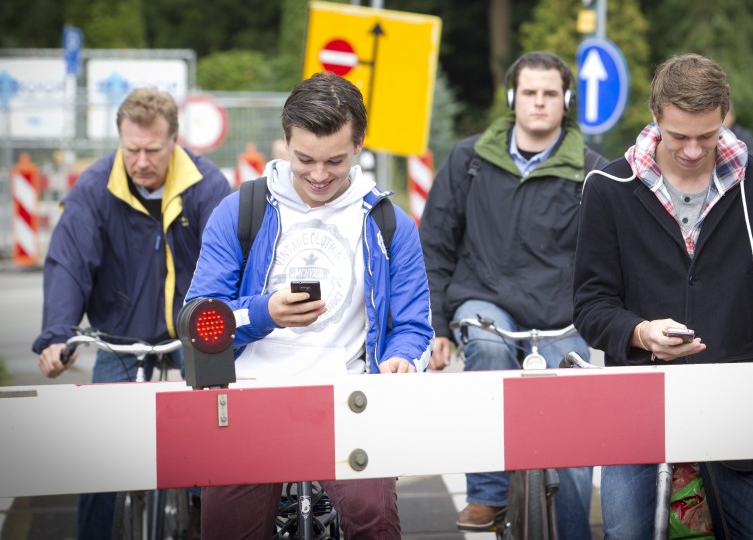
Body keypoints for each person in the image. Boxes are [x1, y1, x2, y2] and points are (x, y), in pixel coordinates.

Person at [572, 53, 753, 539]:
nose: (691, 149)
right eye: (679, 136)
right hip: (636, 408)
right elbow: (591, 304)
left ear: (725, 114)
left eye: (706, 135)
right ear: (656, 115)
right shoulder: (607, 188)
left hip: (744, 409)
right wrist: (640, 333)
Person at [185, 71, 434, 538]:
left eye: (335, 161)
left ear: (359, 145)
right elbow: (201, 316)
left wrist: (402, 359)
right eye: (305, 160)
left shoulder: (390, 225)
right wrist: (263, 313)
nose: (319, 176)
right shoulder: (239, 211)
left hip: (351, 403)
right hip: (250, 402)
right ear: (285, 143)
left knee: (375, 519)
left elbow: (415, 325)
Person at [32, 87, 231, 540]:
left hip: (191, 334)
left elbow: (229, 265)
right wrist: (56, 335)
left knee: (215, 439)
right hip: (117, 335)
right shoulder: (95, 187)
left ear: (174, 141)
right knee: (99, 457)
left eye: (153, 150)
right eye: (132, 149)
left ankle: (204, 517)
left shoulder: (208, 186)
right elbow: (69, 261)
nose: (141, 161)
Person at [420, 51, 602, 537]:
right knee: (487, 345)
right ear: (511, 98)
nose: (539, 103)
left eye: (549, 94)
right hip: (484, 298)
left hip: (561, 316)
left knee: (572, 432)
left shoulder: (593, 172)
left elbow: (610, 262)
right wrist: (437, 328)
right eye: (529, 93)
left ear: (564, 100)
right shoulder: (469, 160)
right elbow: (434, 246)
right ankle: (488, 494)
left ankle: (571, 533)